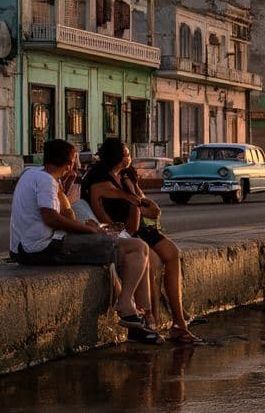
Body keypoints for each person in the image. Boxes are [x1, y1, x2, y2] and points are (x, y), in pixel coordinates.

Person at [9, 139, 160, 344]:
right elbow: (51, 218)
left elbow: (67, 215)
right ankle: (128, 309)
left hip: (26, 248)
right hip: (44, 248)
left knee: (129, 249)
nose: (76, 166)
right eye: (74, 161)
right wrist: (89, 230)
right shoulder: (46, 181)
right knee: (136, 249)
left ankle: (134, 316)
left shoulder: (31, 174)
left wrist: (66, 186)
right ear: (69, 163)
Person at [83, 138, 202, 345]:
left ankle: (179, 323)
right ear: (118, 157)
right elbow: (112, 219)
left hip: (141, 229)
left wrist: (137, 201)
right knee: (154, 262)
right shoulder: (99, 181)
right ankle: (150, 320)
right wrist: (136, 204)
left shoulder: (126, 176)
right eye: (127, 153)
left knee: (172, 253)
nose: (130, 156)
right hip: (125, 232)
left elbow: (151, 208)